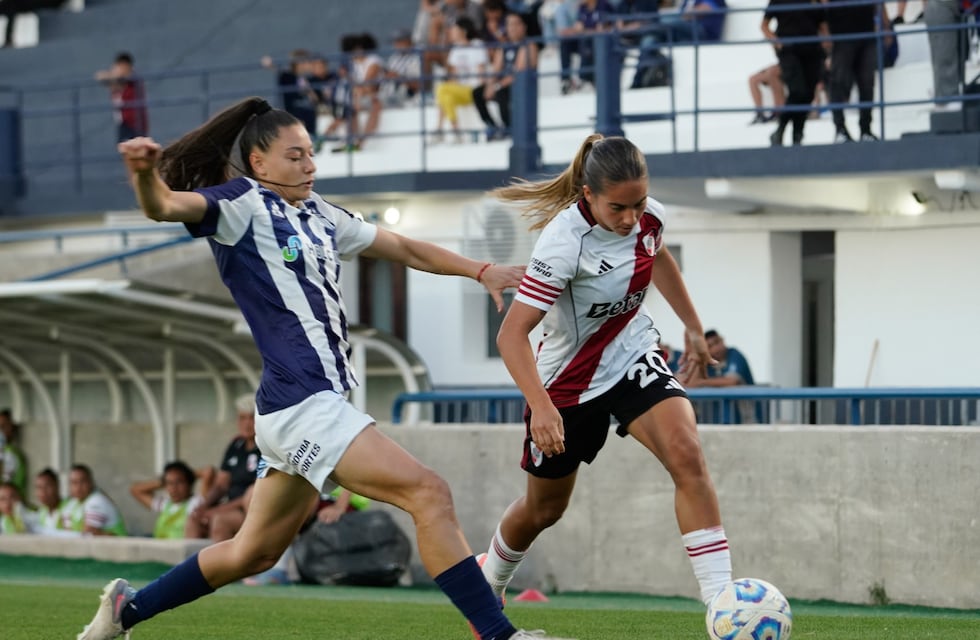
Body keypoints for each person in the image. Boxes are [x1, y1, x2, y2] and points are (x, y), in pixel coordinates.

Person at [76, 95, 566, 640]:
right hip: (302, 403)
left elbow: (403, 246)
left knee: (254, 552)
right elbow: (163, 206)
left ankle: (127, 609)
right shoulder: (241, 204)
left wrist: (481, 270)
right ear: (259, 163)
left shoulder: (319, 213)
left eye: (311, 154)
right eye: (295, 156)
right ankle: (498, 635)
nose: (309, 165)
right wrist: (143, 174)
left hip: (305, 407)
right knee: (429, 492)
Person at [474, 134, 732, 626]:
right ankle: (489, 581)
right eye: (619, 207)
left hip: (633, 355)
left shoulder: (648, 217)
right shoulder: (563, 241)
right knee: (543, 510)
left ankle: (722, 604)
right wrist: (542, 407)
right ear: (587, 195)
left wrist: (693, 328)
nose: (631, 218)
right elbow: (511, 336)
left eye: (638, 204)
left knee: (687, 453)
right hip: (565, 384)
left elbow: (658, 257)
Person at [183, 394, 259, 542]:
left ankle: (221, 565)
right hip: (230, 506)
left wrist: (216, 511)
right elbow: (221, 484)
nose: (247, 423)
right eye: (242, 418)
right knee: (193, 519)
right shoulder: (235, 445)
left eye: (252, 418)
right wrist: (203, 508)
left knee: (220, 521)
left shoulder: (267, 448)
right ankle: (193, 565)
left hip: (250, 511)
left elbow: (255, 494)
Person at [762, 0, 827, 146]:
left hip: (812, 51)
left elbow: (822, 25)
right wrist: (777, 42)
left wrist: (825, 44)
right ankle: (781, 129)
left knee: (808, 93)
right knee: (797, 91)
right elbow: (764, 25)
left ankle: (797, 133)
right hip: (789, 50)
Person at [824, 0, 887, 142]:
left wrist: (885, 26)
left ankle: (866, 130)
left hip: (866, 34)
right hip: (842, 35)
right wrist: (826, 34)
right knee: (839, 83)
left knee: (867, 83)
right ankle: (840, 129)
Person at [473, 11, 540, 140]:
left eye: (516, 24)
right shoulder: (504, 46)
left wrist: (497, 86)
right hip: (503, 84)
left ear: (524, 26)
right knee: (477, 92)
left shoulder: (529, 45)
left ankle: (510, 128)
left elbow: (519, 73)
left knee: (501, 92)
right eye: (509, 24)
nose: (512, 28)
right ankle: (492, 126)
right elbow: (496, 70)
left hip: (521, 86)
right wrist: (490, 86)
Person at [432, 15, 489, 144]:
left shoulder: (477, 45)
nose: (451, 32)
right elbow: (454, 77)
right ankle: (454, 129)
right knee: (446, 96)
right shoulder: (455, 49)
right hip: (461, 90)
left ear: (463, 30)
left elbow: (481, 72)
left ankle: (441, 128)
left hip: (475, 89)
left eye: (453, 29)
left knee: (442, 89)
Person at [130, 460, 211, 540]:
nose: (174, 488)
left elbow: (208, 472)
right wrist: (163, 481)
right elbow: (135, 490)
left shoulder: (196, 503)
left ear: (189, 483)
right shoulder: (164, 505)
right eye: (169, 483)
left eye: (179, 482)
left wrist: (188, 475)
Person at [558, 0, 614, 94]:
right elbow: (578, 27)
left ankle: (585, 78)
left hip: (601, 42)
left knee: (586, 41)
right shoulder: (582, 8)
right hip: (585, 40)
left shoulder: (604, 6)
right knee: (565, 43)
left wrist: (585, 30)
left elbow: (602, 29)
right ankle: (566, 79)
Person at [260, 49, 319, 137]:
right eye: (307, 61)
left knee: (310, 113)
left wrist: (310, 91)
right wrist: (268, 63)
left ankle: (312, 139)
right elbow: (276, 69)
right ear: (300, 63)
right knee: (300, 120)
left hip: (306, 110)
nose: (310, 64)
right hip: (293, 111)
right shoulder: (288, 76)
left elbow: (315, 99)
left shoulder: (308, 79)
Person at [94, 52, 149, 143]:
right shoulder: (117, 81)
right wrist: (113, 76)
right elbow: (99, 76)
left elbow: (125, 78)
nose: (117, 69)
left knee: (136, 150)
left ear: (126, 66)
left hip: (134, 123)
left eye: (119, 66)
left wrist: (114, 76)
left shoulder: (134, 78)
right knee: (125, 150)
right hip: (122, 122)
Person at [61, 464, 127, 536]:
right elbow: (67, 534)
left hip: (117, 546)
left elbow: (88, 533)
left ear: (91, 482)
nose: (78, 487)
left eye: (83, 481)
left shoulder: (97, 501)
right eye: (74, 483)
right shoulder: (71, 504)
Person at [924, 0, 964, 111]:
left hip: (952, 7)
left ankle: (945, 93)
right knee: (944, 52)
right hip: (941, 6)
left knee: (951, 51)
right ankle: (945, 95)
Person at [0, 408, 27, 498]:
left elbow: (6, 483)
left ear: (11, 427)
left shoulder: (11, 454)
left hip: (11, 502)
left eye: (3, 426)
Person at [32, 467, 66, 534]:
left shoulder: (71, 508)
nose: (43, 492)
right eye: (39, 487)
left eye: (47, 486)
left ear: (57, 486)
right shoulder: (41, 513)